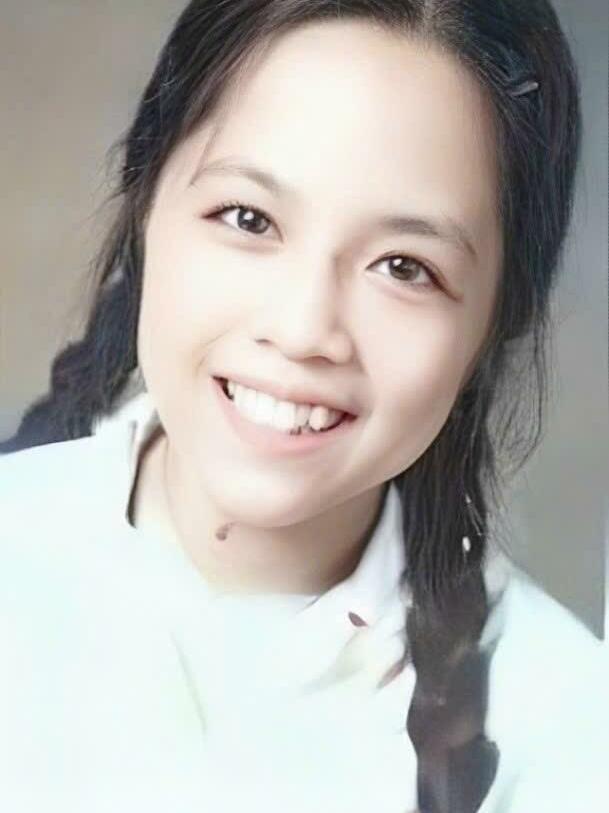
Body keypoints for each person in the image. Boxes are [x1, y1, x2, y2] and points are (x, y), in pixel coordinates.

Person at [0, 1, 607, 812]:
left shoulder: (568, 736)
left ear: (496, 322)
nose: (301, 329)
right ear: (145, 204)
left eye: (402, 266)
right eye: (248, 218)